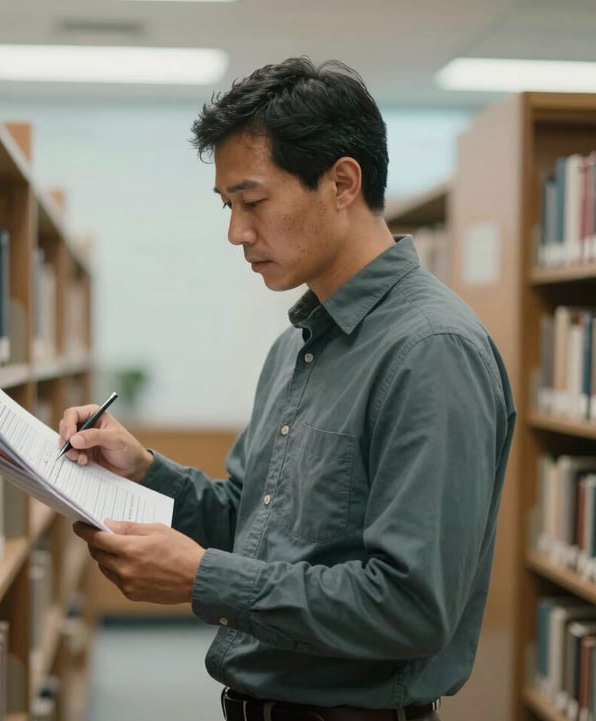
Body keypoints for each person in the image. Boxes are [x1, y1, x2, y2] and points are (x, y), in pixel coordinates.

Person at [59, 57, 516, 721]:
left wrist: (201, 579)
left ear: (341, 182)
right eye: (228, 206)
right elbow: (256, 525)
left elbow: (411, 607)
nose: (236, 231)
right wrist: (147, 471)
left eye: (253, 201)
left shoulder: (431, 351)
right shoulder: (297, 347)